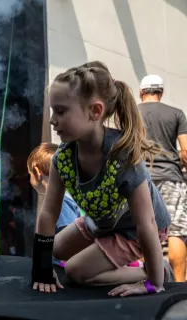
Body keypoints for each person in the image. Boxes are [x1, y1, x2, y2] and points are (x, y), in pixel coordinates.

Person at [31, 61, 171, 297]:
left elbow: (146, 222)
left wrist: (153, 283)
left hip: (135, 229)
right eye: (53, 111)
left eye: (62, 111)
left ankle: (149, 270)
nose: (53, 120)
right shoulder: (63, 157)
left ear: (95, 111)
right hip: (102, 222)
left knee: (76, 272)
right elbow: (48, 213)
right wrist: (42, 268)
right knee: (55, 249)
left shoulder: (122, 157)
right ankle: (109, 258)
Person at [138, 75, 187, 282]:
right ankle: (179, 284)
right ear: (161, 93)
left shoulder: (133, 113)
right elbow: (185, 151)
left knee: (141, 227)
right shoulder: (176, 114)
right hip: (171, 178)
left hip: (140, 180)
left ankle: (143, 278)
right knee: (176, 229)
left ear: (141, 93)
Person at [27, 142, 81, 266]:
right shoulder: (66, 197)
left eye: (30, 174)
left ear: (37, 172)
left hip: (60, 269)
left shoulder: (61, 202)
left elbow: (70, 239)